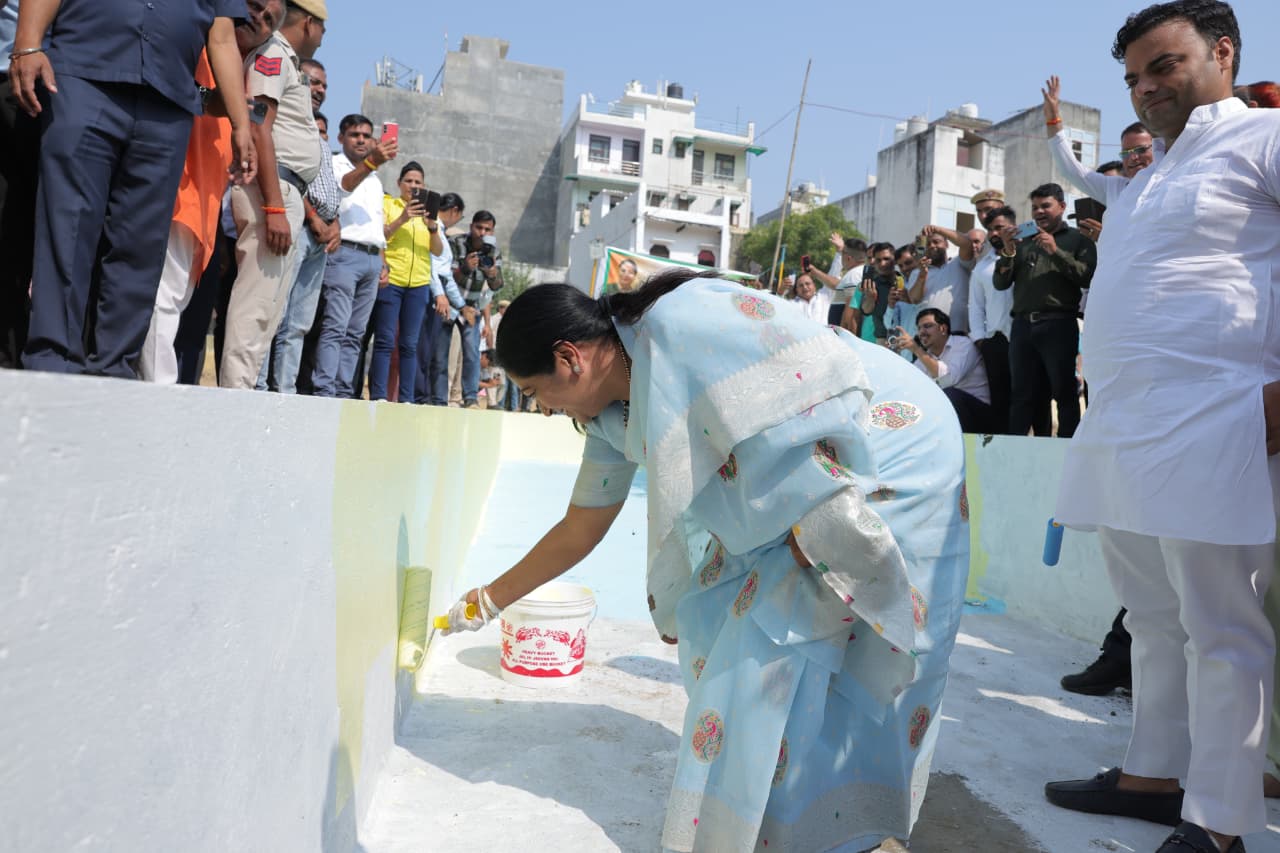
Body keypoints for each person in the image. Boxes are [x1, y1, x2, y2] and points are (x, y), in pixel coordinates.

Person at [441, 269, 968, 852]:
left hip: (887, 441)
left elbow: (808, 382)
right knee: (739, 630)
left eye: (535, 392)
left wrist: (820, 520)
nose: (541, 410)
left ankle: (850, 831)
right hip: (812, 481)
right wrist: (489, 599)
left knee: (791, 647)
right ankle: (804, 824)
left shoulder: (681, 321)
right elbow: (582, 525)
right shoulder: (611, 417)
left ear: (569, 359)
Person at [1044, 5, 1280, 853]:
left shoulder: (1264, 140)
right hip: (1123, 422)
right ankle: (1153, 773)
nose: (1146, 90)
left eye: (1164, 66)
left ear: (1223, 53)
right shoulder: (1146, 178)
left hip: (1220, 414)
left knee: (1222, 624)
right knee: (1150, 611)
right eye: (1134, 78)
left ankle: (1218, 821)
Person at [16, 0, 255, 378]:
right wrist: (28, 44)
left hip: (168, 99)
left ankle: (115, 370)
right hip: (83, 76)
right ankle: (52, 362)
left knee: (141, 244)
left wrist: (241, 123)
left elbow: (222, 36)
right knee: (68, 226)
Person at [218, 0, 324, 389]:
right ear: (311, 24)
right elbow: (260, 126)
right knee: (256, 306)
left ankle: (241, 393)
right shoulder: (275, 52)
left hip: (281, 188)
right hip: (273, 188)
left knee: (268, 309)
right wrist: (275, 205)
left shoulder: (284, 57)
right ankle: (235, 398)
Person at [992, 183, 1096, 438]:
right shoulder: (1022, 241)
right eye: (1035, 207)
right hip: (1023, 326)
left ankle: (1066, 450)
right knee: (1022, 395)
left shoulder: (1078, 240)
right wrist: (1007, 250)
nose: (1039, 212)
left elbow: (1087, 277)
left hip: (1059, 324)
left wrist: (1055, 250)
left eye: (1045, 206)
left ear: (1061, 206)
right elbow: (1000, 282)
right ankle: (1016, 450)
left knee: (1064, 393)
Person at [311, 114, 395, 397]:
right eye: (354, 135)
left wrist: (382, 258)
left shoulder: (373, 177)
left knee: (356, 334)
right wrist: (372, 162)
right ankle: (324, 389)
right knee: (335, 326)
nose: (361, 140)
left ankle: (344, 391)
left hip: (371, 258)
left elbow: (375, 220)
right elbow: (342, 188)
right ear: (341, 138)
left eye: (366, 136)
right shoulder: (335, 164)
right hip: (345, 253)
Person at [369, 162, 443, 401]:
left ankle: (406, 398)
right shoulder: (389, 205)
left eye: (418, 182)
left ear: (424, 186)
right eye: (409, 181)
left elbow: (438, 251)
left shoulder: (430, 215)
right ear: (399, 183)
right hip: (392, 281)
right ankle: (379, 395)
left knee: (410, 344)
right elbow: (379, 236)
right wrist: (402, 218)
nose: (413, 186)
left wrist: (432, 227)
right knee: (385, 340)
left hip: (419, 285)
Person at [892, 308, 994, 433]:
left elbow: (949, 380)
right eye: (919, 328)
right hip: (949, 415)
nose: (921, 332)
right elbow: (911, 388)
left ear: (943, 329)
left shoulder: (963, 344)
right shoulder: (924, 358)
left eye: (927, 326)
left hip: (980, 415)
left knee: (949, 394)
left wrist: (917, 350)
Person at [447, 210, 503, 408]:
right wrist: (465, 268)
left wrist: (492, 273)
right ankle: (442, 396)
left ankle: (470, 397)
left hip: (472, 311)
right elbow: (447, 277)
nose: (482, 232)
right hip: (451, 306)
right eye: (479, 227)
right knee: (448, 354)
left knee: (471, 354)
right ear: (472, 226)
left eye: (487, 229)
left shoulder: (494, 252)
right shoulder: (457, 243)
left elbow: (496, 287)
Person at [415, 191, 467, 405]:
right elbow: (433, 268)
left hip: (438, 294)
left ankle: (428, 397)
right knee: (426, 352)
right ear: (454, 211)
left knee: (431, 353)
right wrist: (440, 294)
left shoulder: (440, 231)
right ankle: (424, 397)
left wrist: (461, 306)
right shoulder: (433, 227)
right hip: (430, 294)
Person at [907, 225, 975, 333]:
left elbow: (967, 244)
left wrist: (938, 229)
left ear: (946, 244)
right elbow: (914, 299)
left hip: (958, 334)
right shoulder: (917, 273)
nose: (932, 246)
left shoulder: (959, 263)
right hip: (929, 338)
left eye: (936, 241)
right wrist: (922, 275)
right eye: (927, 243)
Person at [808, 234, 867, 327]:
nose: (841, 255)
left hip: (843, 335)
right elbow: (835, 284)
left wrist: (843, 337)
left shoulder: (853, 275)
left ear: (848, 258)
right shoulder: (857, 273)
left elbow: (850, 314)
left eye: (842, 253)